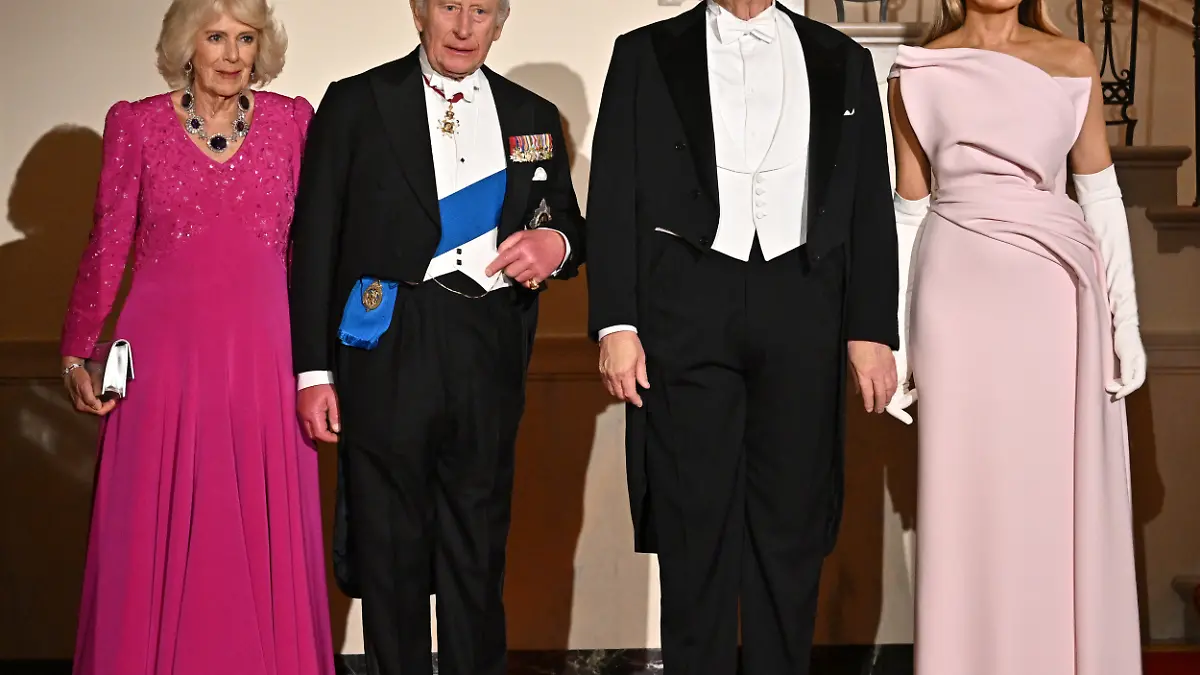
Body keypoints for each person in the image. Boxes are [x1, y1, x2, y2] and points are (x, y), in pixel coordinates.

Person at [586, 1, 898, 672]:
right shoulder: (644, 53)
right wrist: (617, 320)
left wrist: (871, 328)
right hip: (686, 302)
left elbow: (869, 196)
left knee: (790, 530)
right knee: (693, 526)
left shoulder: (844, 57)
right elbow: (613, 189)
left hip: (804, 300)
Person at [287, 0, 585, 673]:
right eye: (449, 6)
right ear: (420, 12)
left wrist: (555, 241)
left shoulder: (532, 116)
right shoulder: (358, 102)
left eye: (481, 10)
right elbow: (315, 248)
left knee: (476, 552)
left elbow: (566, 221)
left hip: (488, 345)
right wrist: (312, 372)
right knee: (389, 551)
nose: (463, 25)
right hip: (388, 342)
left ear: (500, 22)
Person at [58, 1, 333, 674]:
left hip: (267, 355)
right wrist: (79, 347)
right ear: (187, 45)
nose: (234, 53)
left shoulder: (294, 122)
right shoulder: (137, 125)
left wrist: (320, 361)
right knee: (151, 529)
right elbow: (108, 242)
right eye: (217, 37)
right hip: (160, 360)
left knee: (262, 531)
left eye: (246, 38)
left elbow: (313, 248)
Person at [885, 0, 1147, 671]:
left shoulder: (1073, 60)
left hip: (1052, 297)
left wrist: (1127, 318)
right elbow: (910, 210)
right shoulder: (916, 71)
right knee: (964, 495)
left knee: (1048, 495)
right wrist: (898, 338)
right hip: (956, 299)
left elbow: (1102, 195)